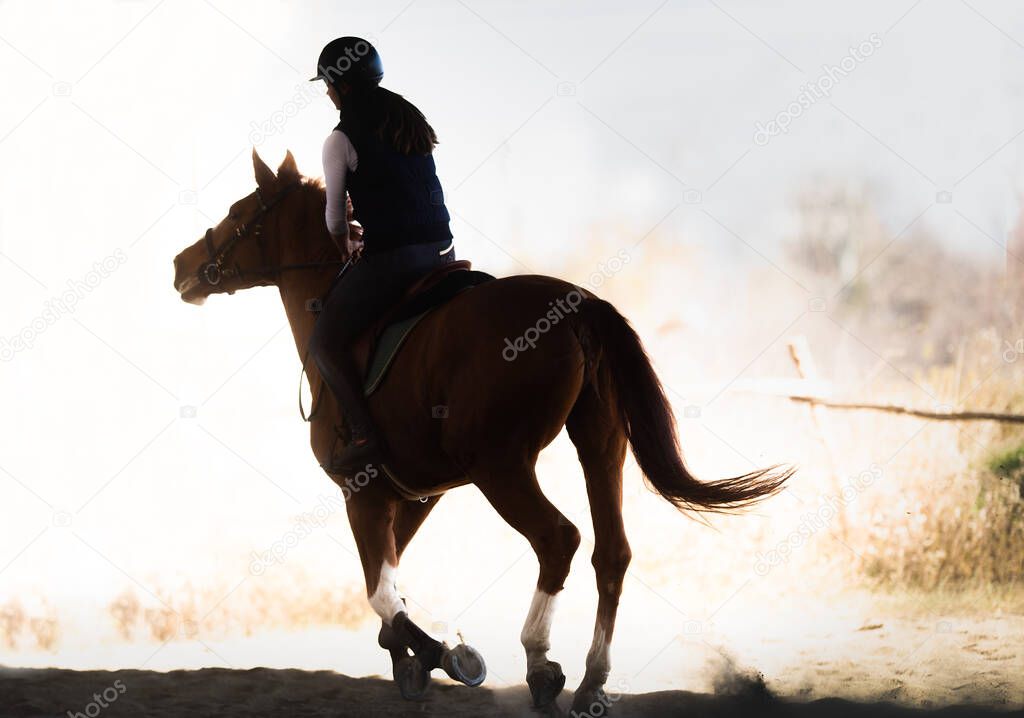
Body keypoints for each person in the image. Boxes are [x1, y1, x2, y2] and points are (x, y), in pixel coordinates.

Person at [307, 36, 456, 473]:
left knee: (324, 342)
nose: (327, 92)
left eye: (329, 84)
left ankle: (364, 433)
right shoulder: (409, 118)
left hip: (396, 260)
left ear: (342, 86)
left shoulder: (339, 139)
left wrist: (346, 248)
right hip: (444, 254)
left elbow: (335, 219)